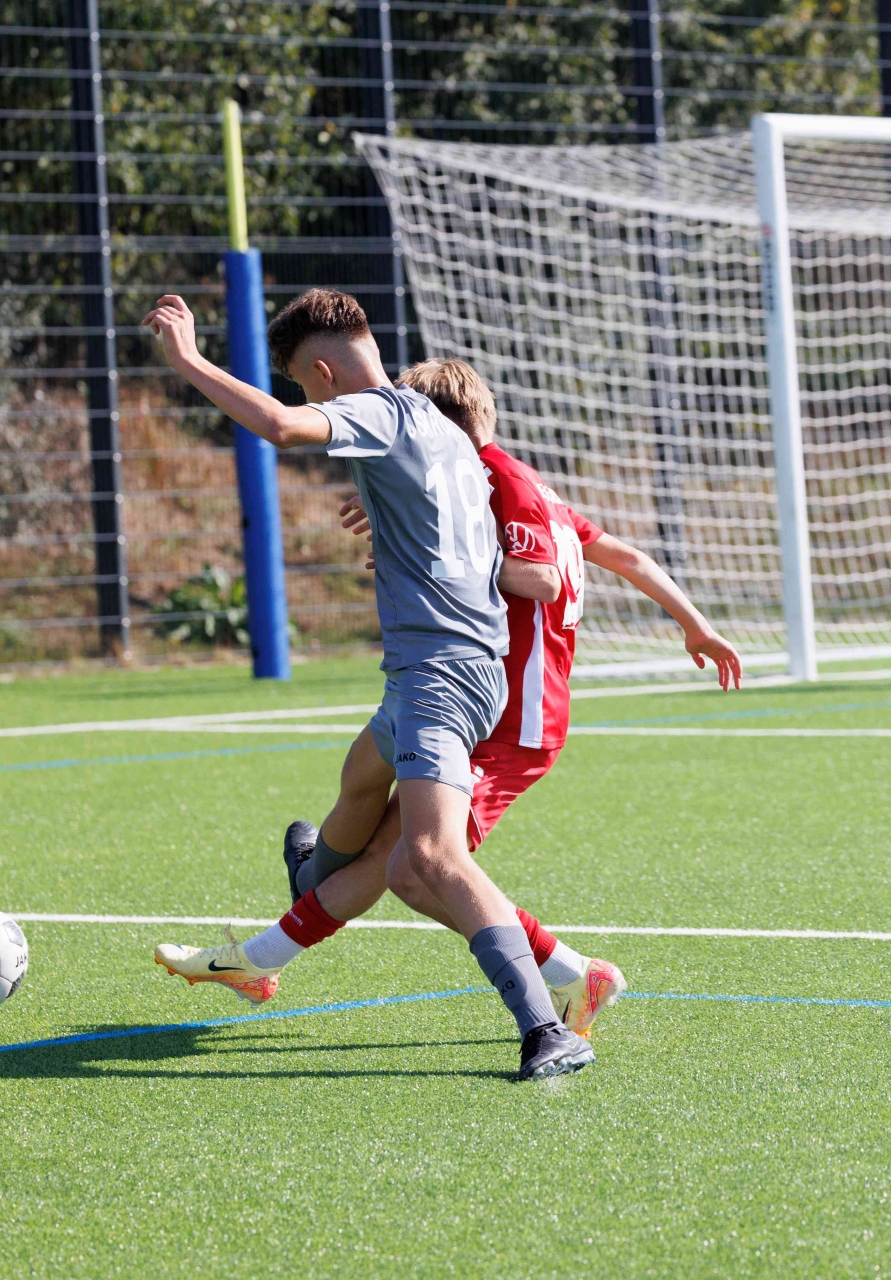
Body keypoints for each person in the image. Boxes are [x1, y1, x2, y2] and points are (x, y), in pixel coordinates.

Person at [142, 287, 592, 1082]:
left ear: (322, 372)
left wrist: (189, 361)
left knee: (429, 857)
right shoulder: (444, 432)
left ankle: (545, 1028)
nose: (312, 401)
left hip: (440, 676)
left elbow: (280, 427)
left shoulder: (381, 413)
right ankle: (310, 877)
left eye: (306, 384)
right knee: (359, 778)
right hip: (446, 668)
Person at [265, 356, 744, 1037]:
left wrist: (437, 556)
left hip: (516, 719)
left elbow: (541, 579)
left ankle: (571, 976)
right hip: (487, 706)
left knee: (415, 869)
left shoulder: (500, 481)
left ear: (438, 427)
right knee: (392, 844)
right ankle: (281, 924)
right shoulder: (512, 483)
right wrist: (695, 624)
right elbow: (628, 557)